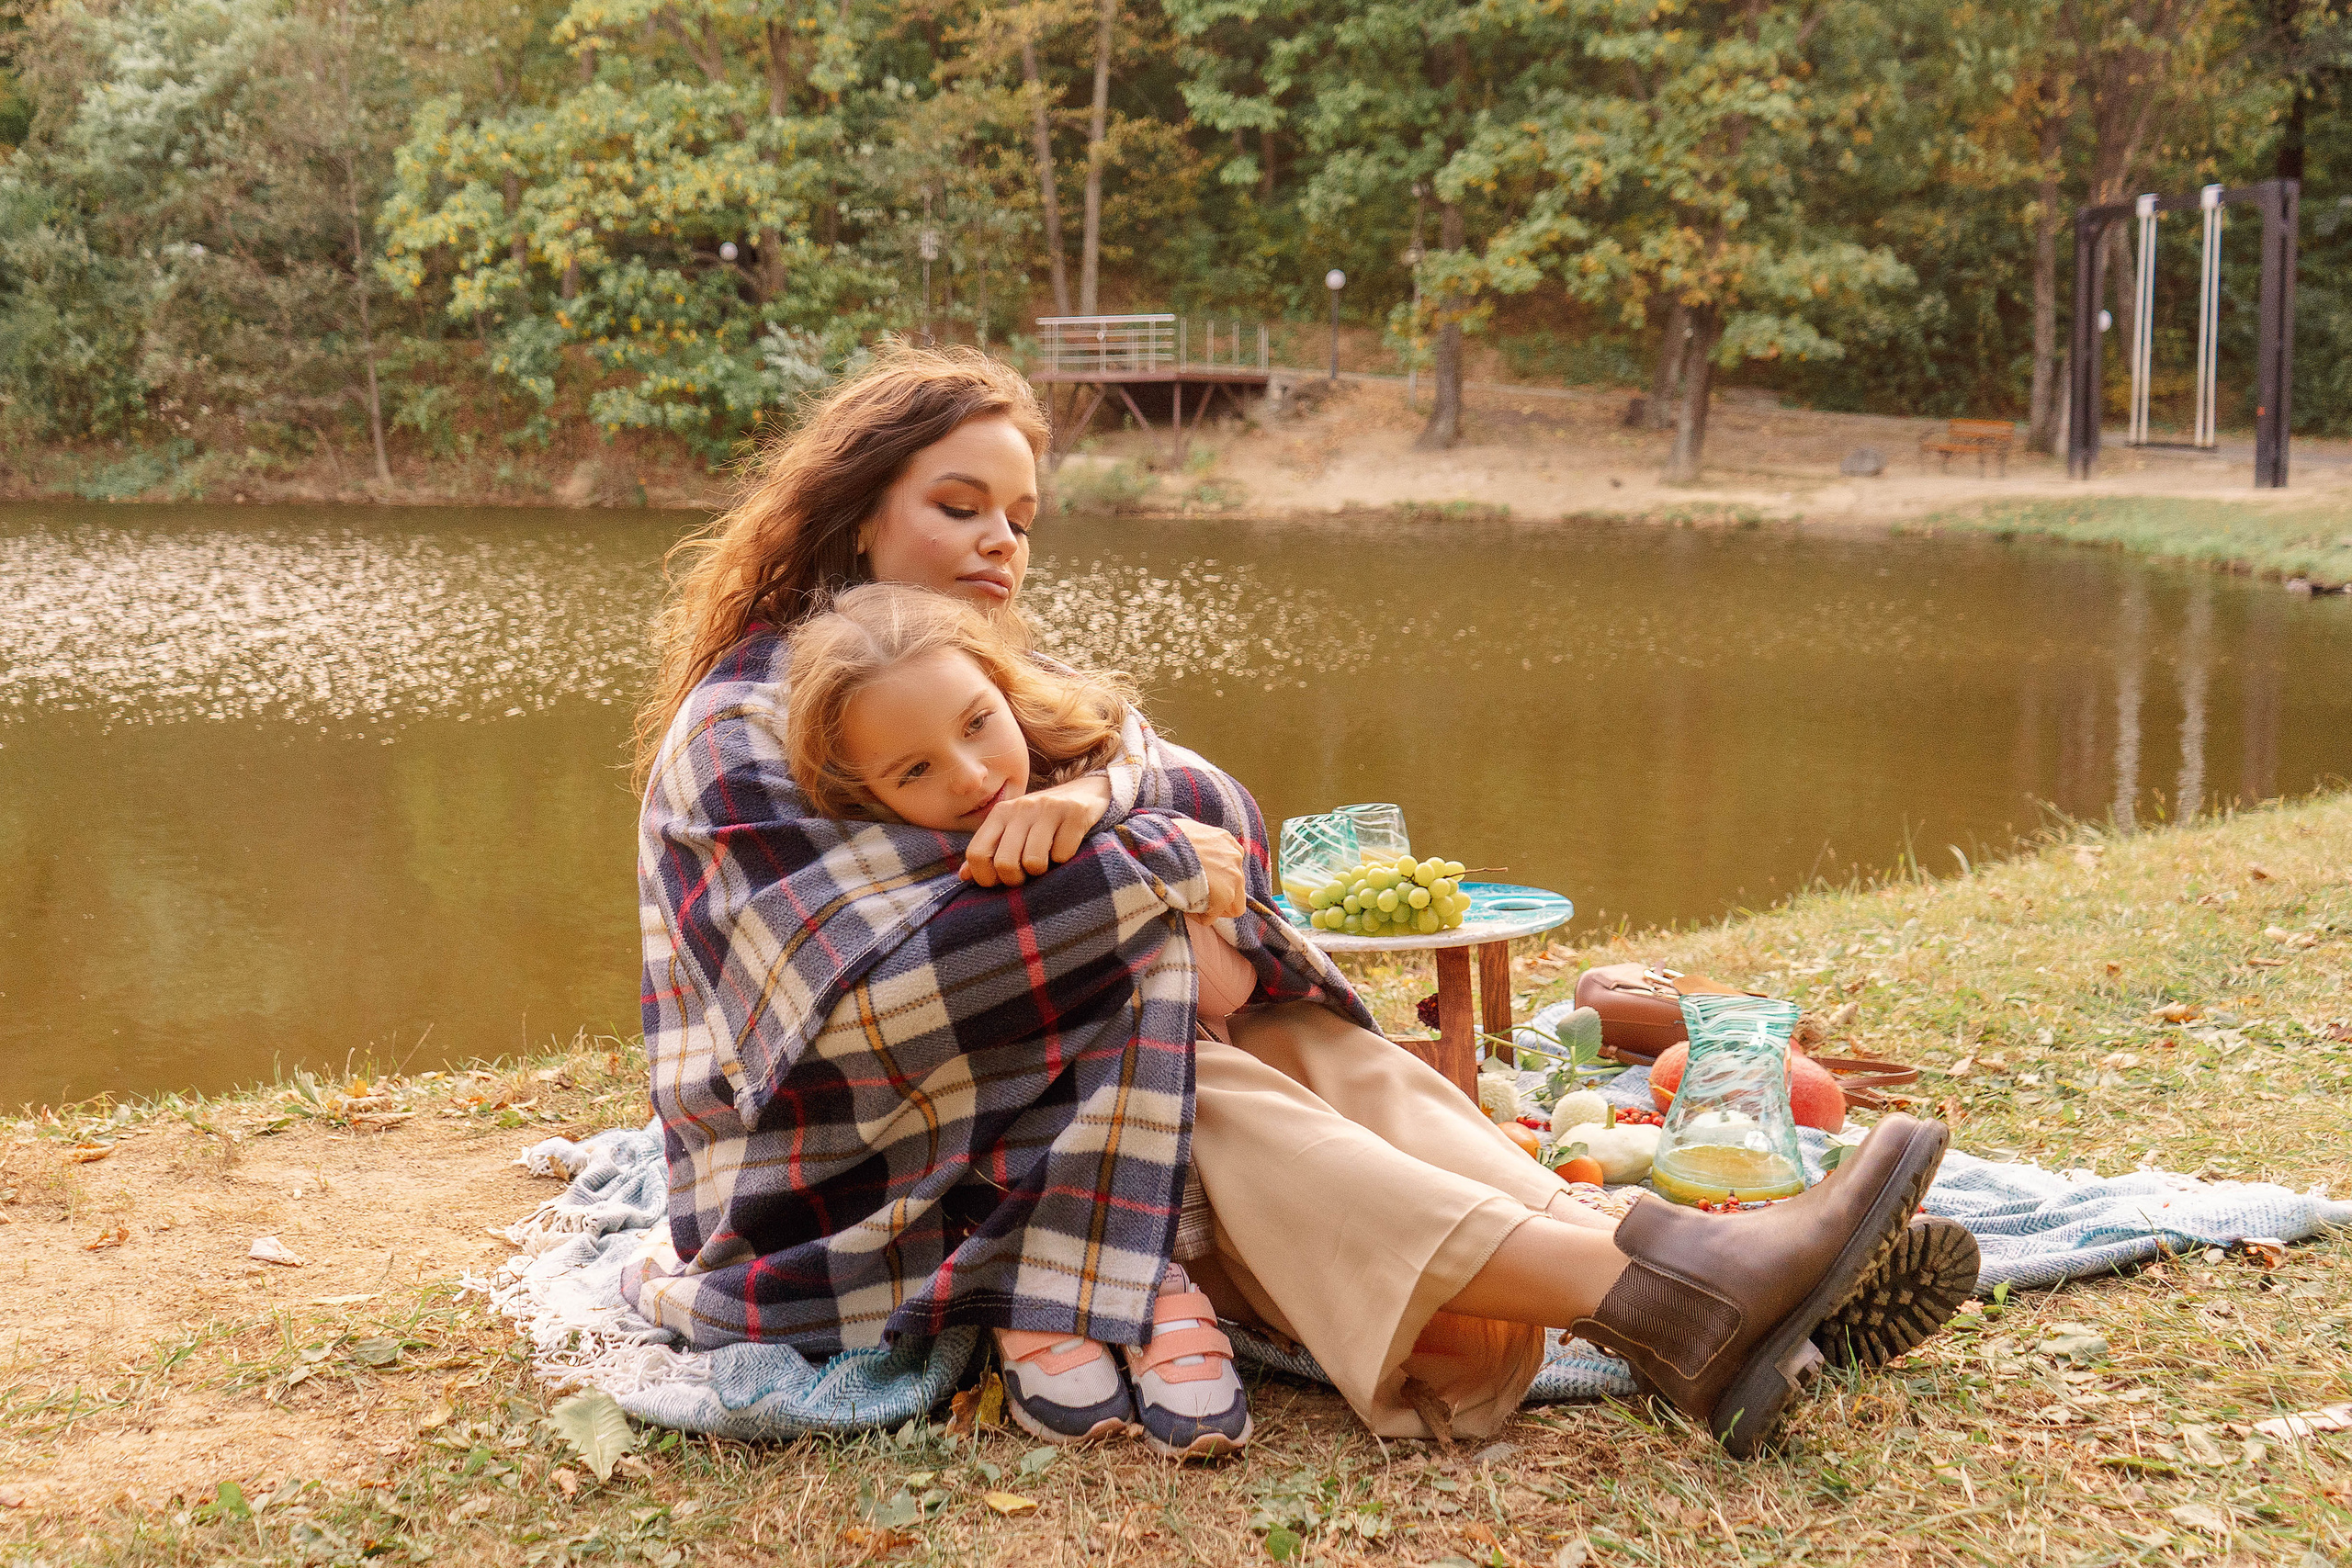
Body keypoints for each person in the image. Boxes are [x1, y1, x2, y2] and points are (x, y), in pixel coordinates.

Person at [631, 344, 1967, 1465]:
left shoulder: (975, 678)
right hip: (846, 1183)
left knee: (1296, 1038)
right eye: (959, 505)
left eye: (1022, 519)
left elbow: (1228, 819)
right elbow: (890, 1001)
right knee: (1192, 1064)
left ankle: (1665, 1261)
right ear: (860, 512)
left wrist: (1104, 815)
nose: (999, 543)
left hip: (1024, 1111)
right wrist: (1153, 871)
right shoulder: (743, 727)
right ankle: (1672, 1294)